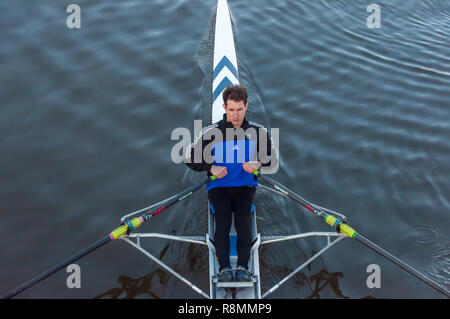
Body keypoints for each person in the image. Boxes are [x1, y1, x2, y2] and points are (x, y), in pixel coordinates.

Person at [184, 85, 278, 282]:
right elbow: (188, 158)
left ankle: (243, 268)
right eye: (231, 109)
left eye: (240, 109)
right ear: (224, 107)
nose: (235, 115)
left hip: (245, 186)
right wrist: (210, 167)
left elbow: (272, 159)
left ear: (246, 106)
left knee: (243, 224)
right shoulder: (211, 132)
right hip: (219, 188)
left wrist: (258, 163)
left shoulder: (257, 132)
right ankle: (225, 268)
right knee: (224, 223)